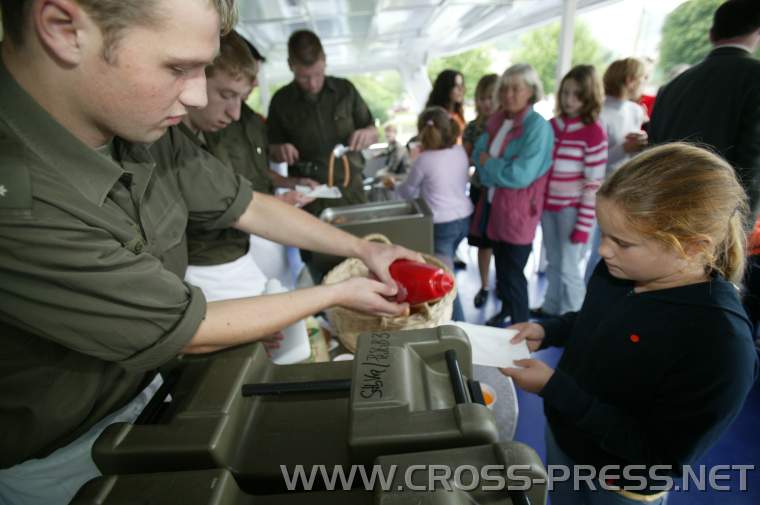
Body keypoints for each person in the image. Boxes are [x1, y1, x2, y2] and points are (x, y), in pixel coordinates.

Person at [0, 2, 420, 503]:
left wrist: (360, 249)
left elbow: (245, 206)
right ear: (63, 28)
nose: (197, 94)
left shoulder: (136, 123)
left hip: (160, 395)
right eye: (178, 68)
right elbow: (185, 328)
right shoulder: (17, 195)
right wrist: (338, 292)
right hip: (66, 458)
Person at [502, 143, 758, 505]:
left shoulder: (720, 344)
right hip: (565, 442)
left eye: (621, 242)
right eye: (603, 234)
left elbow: (659, 457)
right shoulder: (618, 269)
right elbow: (595, 321)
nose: (604, 251)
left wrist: (558, 389)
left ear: (691, 247)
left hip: (621, 485)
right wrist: (549, 331)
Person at [179, 31, 316, 299]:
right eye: (227, 93)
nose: (234, 112)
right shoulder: (198, 132)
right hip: (214, 253)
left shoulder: (250, 121)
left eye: (244, 93)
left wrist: (286, 185)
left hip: (244, 239)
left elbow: (257, 173)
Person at [649, 0, 760, 220]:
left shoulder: (672, 86)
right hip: (716, 217)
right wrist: (742, 226)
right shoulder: (754, 78)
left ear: (711, 35)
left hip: (664, 207)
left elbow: (653, 149)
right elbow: (753, 160)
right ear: (757, 33)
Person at [470, 64, 554, 327]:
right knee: (503, 272)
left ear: (531, 91)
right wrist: (496, 167)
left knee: (514, 274)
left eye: (516, 88)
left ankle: (522, 329)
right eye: (505, 88)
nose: (508, 94)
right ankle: (506, 312)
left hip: (518, 213)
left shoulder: (537, 128)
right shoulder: (498, 121)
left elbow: (520, 175)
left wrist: (490, 164)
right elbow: (476, 155)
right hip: (494, 208)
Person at [267, 29, 378, 218]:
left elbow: (374, 132)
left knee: (362, 241)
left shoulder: (345, 90)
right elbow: (271, 152)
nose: (312, 84)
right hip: (308, 195)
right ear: (290, 65)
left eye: (318, 74)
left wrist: (368, 134)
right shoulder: (281, 102)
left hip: (351, 190)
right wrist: (279, 149)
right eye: (304, 77)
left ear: (325, 60)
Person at [535, 65, 607, 319]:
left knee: (568, 267)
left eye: (576, 94)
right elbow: (542, 168)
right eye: (565, 93)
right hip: (548, 207)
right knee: (554, 261)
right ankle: (551, 306)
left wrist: (584, 224)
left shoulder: (594, 131)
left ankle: (578, 318)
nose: (568, 99)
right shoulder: (551, 125)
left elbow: (593, 182)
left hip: (572, 210)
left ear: (589, 97)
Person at [393, 106, 473, 321]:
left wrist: (393, 185)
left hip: (441, 224)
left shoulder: (424, 159)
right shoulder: (459, 151)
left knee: (445, 279)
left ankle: (459, 325)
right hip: (464, 218)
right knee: (447, 272)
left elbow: (407, 192)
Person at [584, 57, 648, 282]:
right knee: (597, 247)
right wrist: (624, 148)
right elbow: (593, 159)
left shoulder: (635, 110)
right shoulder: (599, 112)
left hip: (626, 188)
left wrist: (639, 144)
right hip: (600, 188)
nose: (645, 83)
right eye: (642, 78)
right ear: (630, 80)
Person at [463, 73, 499, 308]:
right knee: (483, 243)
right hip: (480, 190)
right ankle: (485, 284)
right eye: (481, 98)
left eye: (490, 98)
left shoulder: (510, 127)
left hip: (504, 192)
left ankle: (503, 285)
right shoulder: (473, 128)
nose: (486, 103)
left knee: (503, 244)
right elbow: (465, 160)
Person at [426, 69, 466, 141]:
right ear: (445, 88)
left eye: (462, 85)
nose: (461, 89)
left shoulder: (457, 114)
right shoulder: (435, 117)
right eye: (456, 86)